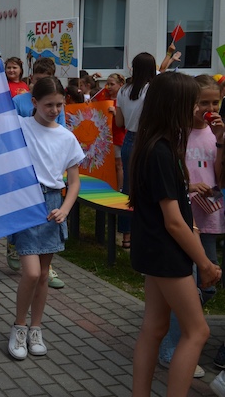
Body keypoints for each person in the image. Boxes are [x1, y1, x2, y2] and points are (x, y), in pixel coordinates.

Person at [129, 71, 222, 397]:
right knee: (197, 331)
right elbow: (174, 221)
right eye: (192, 104)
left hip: (153, 250)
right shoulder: (163, 152)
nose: (198, 110)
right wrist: (205, 264)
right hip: (167, 254)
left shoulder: (153, 145)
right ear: (175, 106)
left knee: (154, 328)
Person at [7, 76, 84, 361]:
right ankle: (19, 326)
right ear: (34, 102)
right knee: (31, 272)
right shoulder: (20, 127)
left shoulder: (66, 137)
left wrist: (65, 208)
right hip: (27, 204)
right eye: (48, 104)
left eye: (59, 105)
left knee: (42, 275)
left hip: (53, 205)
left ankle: (36, 329)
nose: (54, 110)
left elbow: (74, 182)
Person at [156, 74, 225, 379]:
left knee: (206, 285)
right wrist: (190, 186)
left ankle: (175, 329)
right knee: (194, 285)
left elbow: (220, 178)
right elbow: (170, 178)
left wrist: (220, 140)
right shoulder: (177, 135)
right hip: (187, 220)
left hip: (212, 216)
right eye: (203, 103)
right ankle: (173, 347)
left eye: (215, 103)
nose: (209, 109)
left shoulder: (216, 134)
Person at [8, 57, 67, 289]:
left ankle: (46, 267)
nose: (53, 110)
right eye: (39, 80)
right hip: (24, 177)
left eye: (47, 79)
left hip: (49, 183)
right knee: (30, 263)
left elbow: (61, 131)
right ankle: (15, 244)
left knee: (42, 258)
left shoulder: (57, 111)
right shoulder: (18, 103)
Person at [115, 53, 156, 250]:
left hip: (129, 139)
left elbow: (119, 122)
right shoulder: (153, 89)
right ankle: (147, 234)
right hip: (150, 139)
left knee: (128, 189)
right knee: (151, 188)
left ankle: (126, 236)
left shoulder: (123, 90)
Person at [105, 73, 127, 193]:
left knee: (118, 164)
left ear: (120, 85)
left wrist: (115, 113)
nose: (109, 87)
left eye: (112, 84)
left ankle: (120, 189)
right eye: (107, 84)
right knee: (110, 164)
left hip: (118, 136)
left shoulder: (123, 100)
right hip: (106, 137)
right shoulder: (105, 99)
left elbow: (127, 121)